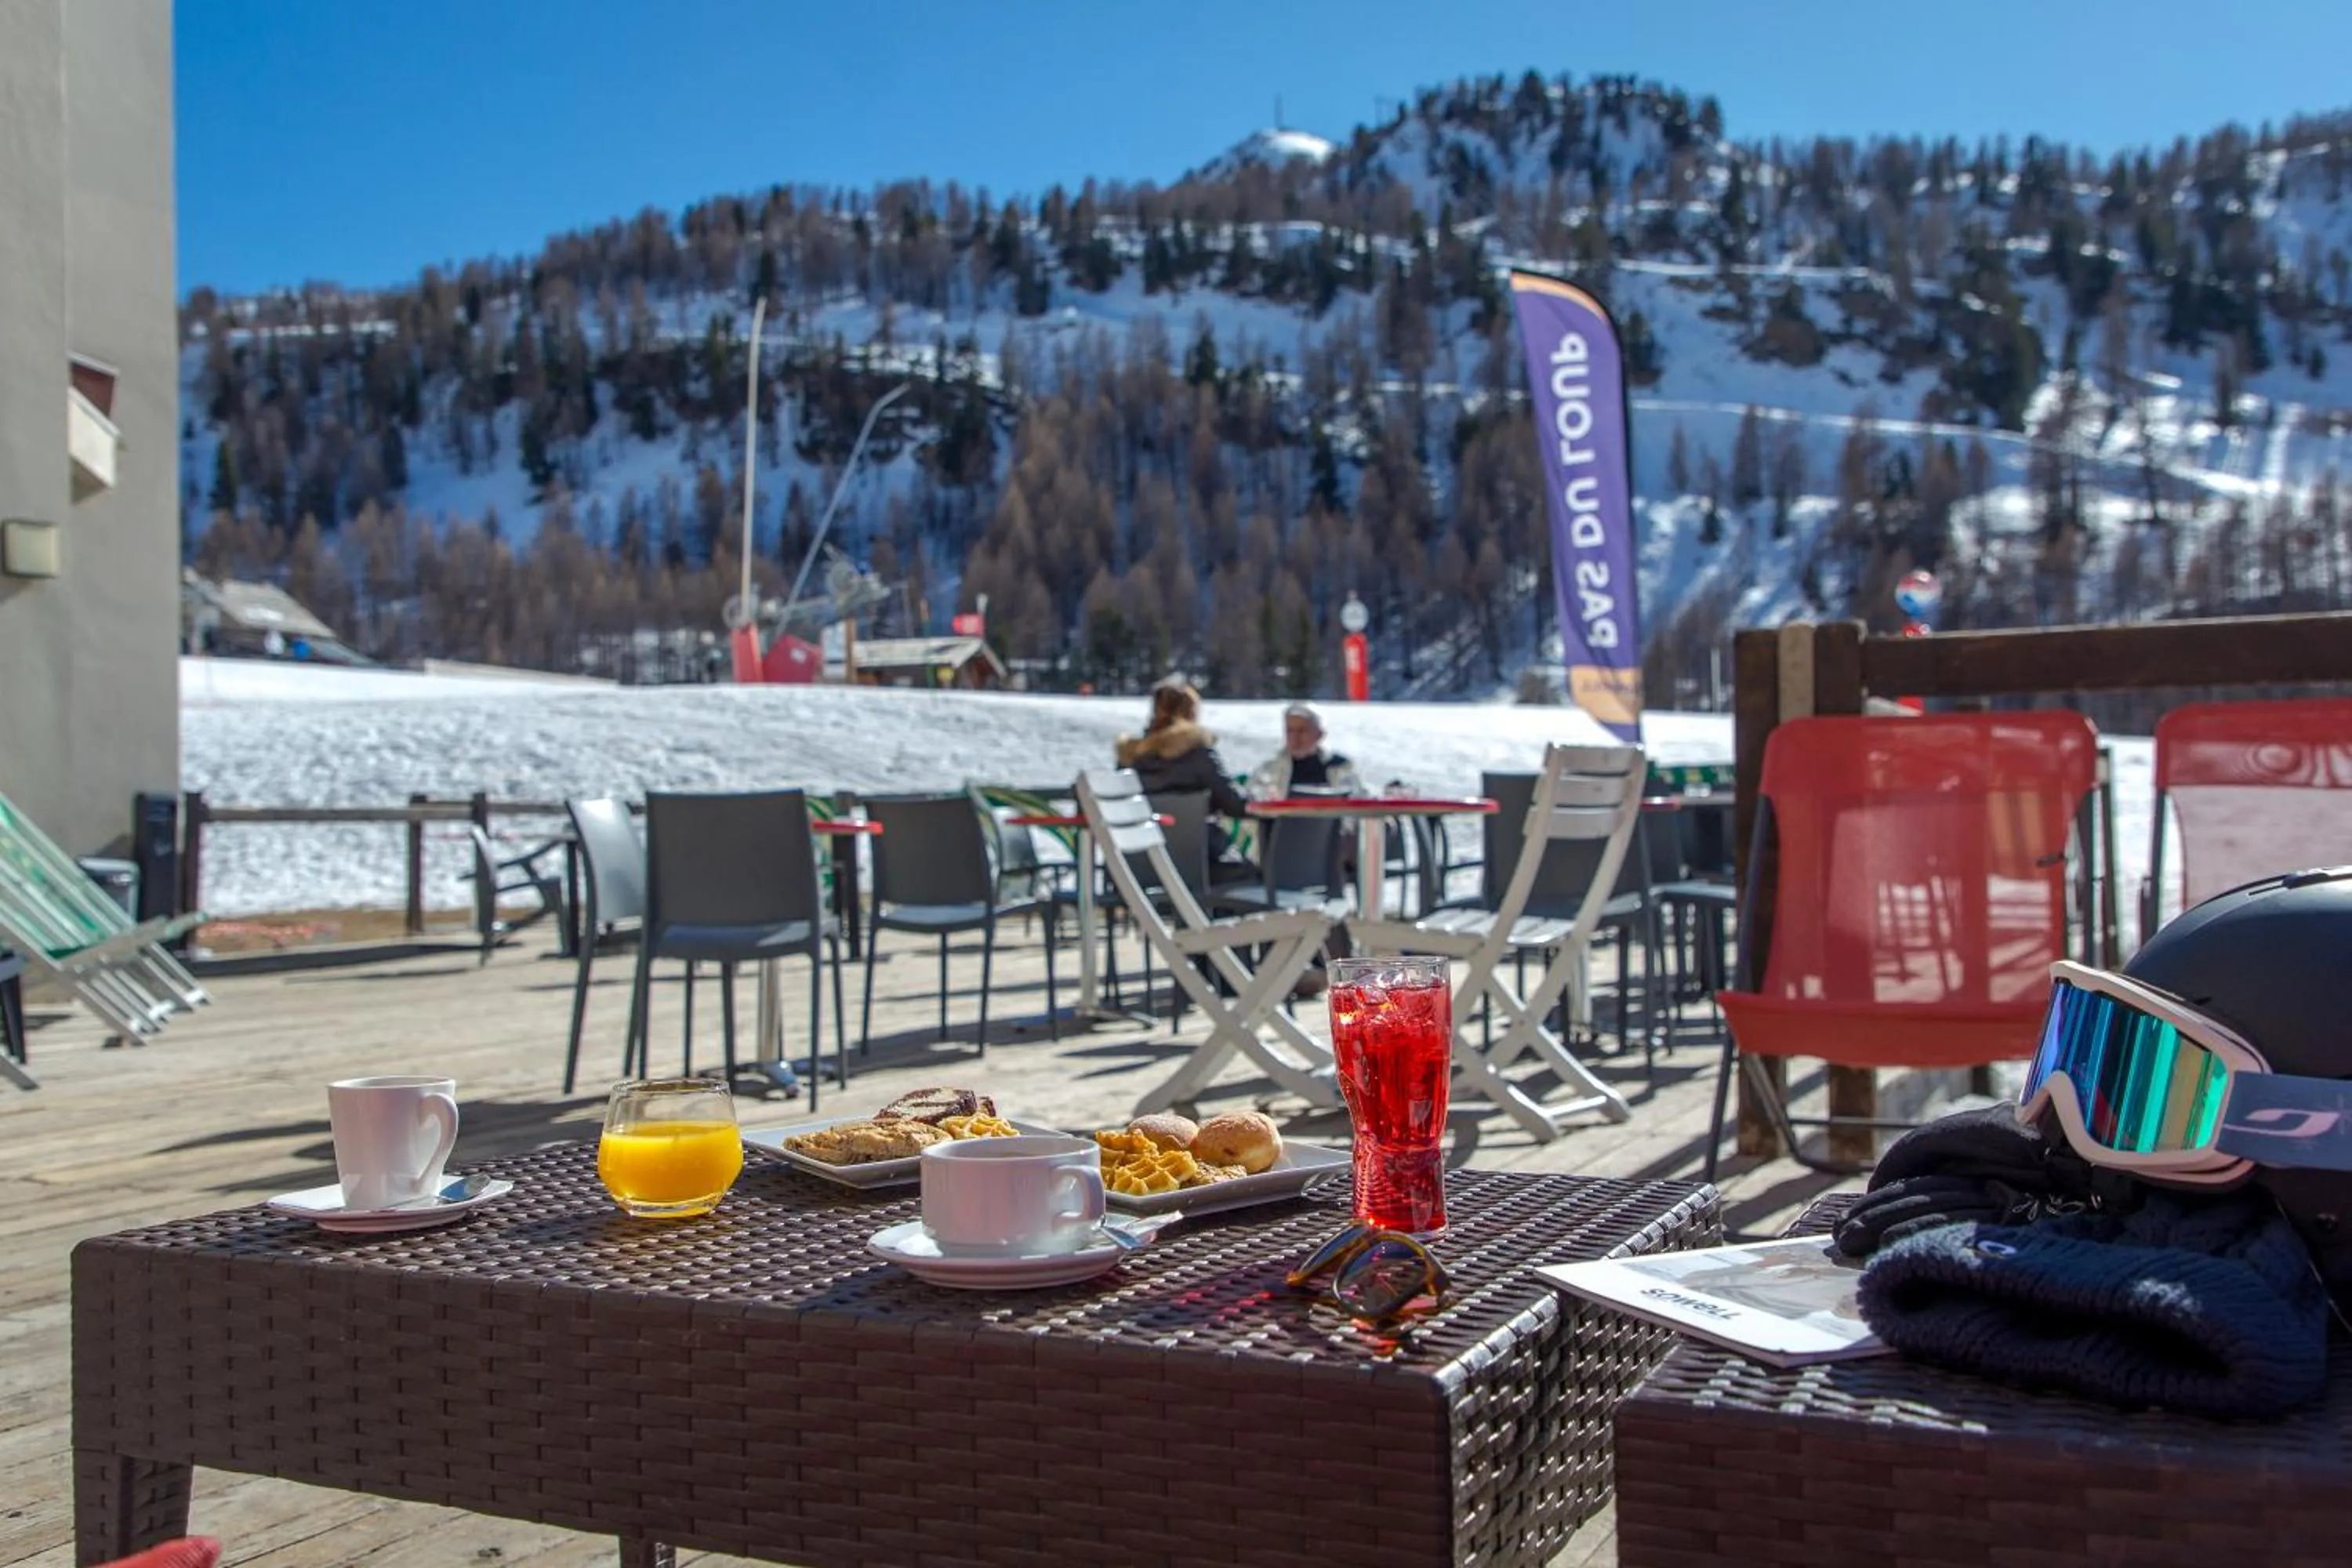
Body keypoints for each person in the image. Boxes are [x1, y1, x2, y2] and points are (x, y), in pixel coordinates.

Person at [1113, 679, 1254, 884]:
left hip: (1138, 868)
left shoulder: (1130, 759)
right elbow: (1234, 804)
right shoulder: (1197, 753)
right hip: (1202, 865)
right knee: (1254, 877)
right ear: (1192, 713)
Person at [1249, 702, 1363, 798]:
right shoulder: (1270, 769)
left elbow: (1360, 798)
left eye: (1302, 731)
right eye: (1290, 731)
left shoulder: (1339, 767)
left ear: (1319, 734)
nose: (1295, 738)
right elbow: (1252, 798)